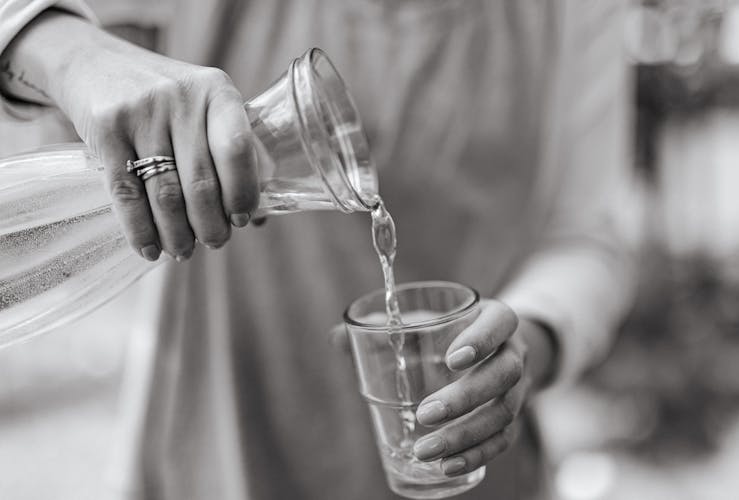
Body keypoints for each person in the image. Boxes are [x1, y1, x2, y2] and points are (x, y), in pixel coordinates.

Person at [0, 1, 637, 499]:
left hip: (476, 468)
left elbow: (588, 237)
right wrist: (75, 53)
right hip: (220, 448)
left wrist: (529, 339)